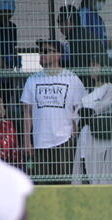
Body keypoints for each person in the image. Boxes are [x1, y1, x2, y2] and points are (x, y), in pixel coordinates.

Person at [21, 39, 86, 178]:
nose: (42, 54)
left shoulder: (71, 78)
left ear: (58, 55)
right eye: (40, 51)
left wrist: (75, 128)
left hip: (64, 140)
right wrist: (27, 141)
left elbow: (80, 107)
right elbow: (27, 112)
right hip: (40, 141)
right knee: (42, 183)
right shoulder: (32, 80)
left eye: (46, 51)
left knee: (64, 182)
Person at [73, 56, 112, 184]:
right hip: (86, 138)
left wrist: (86, 112)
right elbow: (77, 113)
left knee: (105, 176)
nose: (91, 68)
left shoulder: (111, 88)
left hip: (104, 138)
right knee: (85, 173)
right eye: (90, 65)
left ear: (104, 67)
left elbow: (98, 108)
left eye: (95, 65)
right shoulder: (86, 91)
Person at [58, 5, 107, 78]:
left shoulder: (77, 37)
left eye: (63, 23)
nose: (61, 27)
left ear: (72, 22)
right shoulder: (80, 33)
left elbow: (77, 64)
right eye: (60, 24)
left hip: (89, 78)